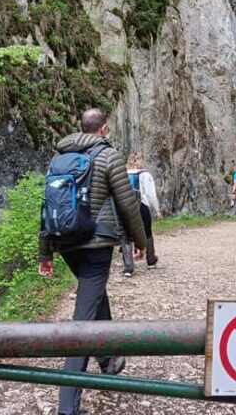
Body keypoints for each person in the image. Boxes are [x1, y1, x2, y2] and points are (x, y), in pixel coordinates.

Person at [38, 108, 146, 415]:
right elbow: (127, 203)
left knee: (94, 296)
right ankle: (67, 407)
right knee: (82, 321)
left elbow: (46, 205)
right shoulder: (109, 156)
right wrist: (141, 242)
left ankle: (108, 360)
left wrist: (45, 253)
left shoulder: (59, 158)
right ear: (104, 129)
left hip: (66, 244)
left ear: (81, 127)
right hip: (96, 245)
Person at [120, 153, 163, 277]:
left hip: (126, 207)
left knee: (126, 234)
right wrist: (157, 210)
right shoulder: (145, 175)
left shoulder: (123, 174)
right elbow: (150, 194)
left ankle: (128, 267)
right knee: (147, 232)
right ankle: (150, 260)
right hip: (141, 206)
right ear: (141, 161)